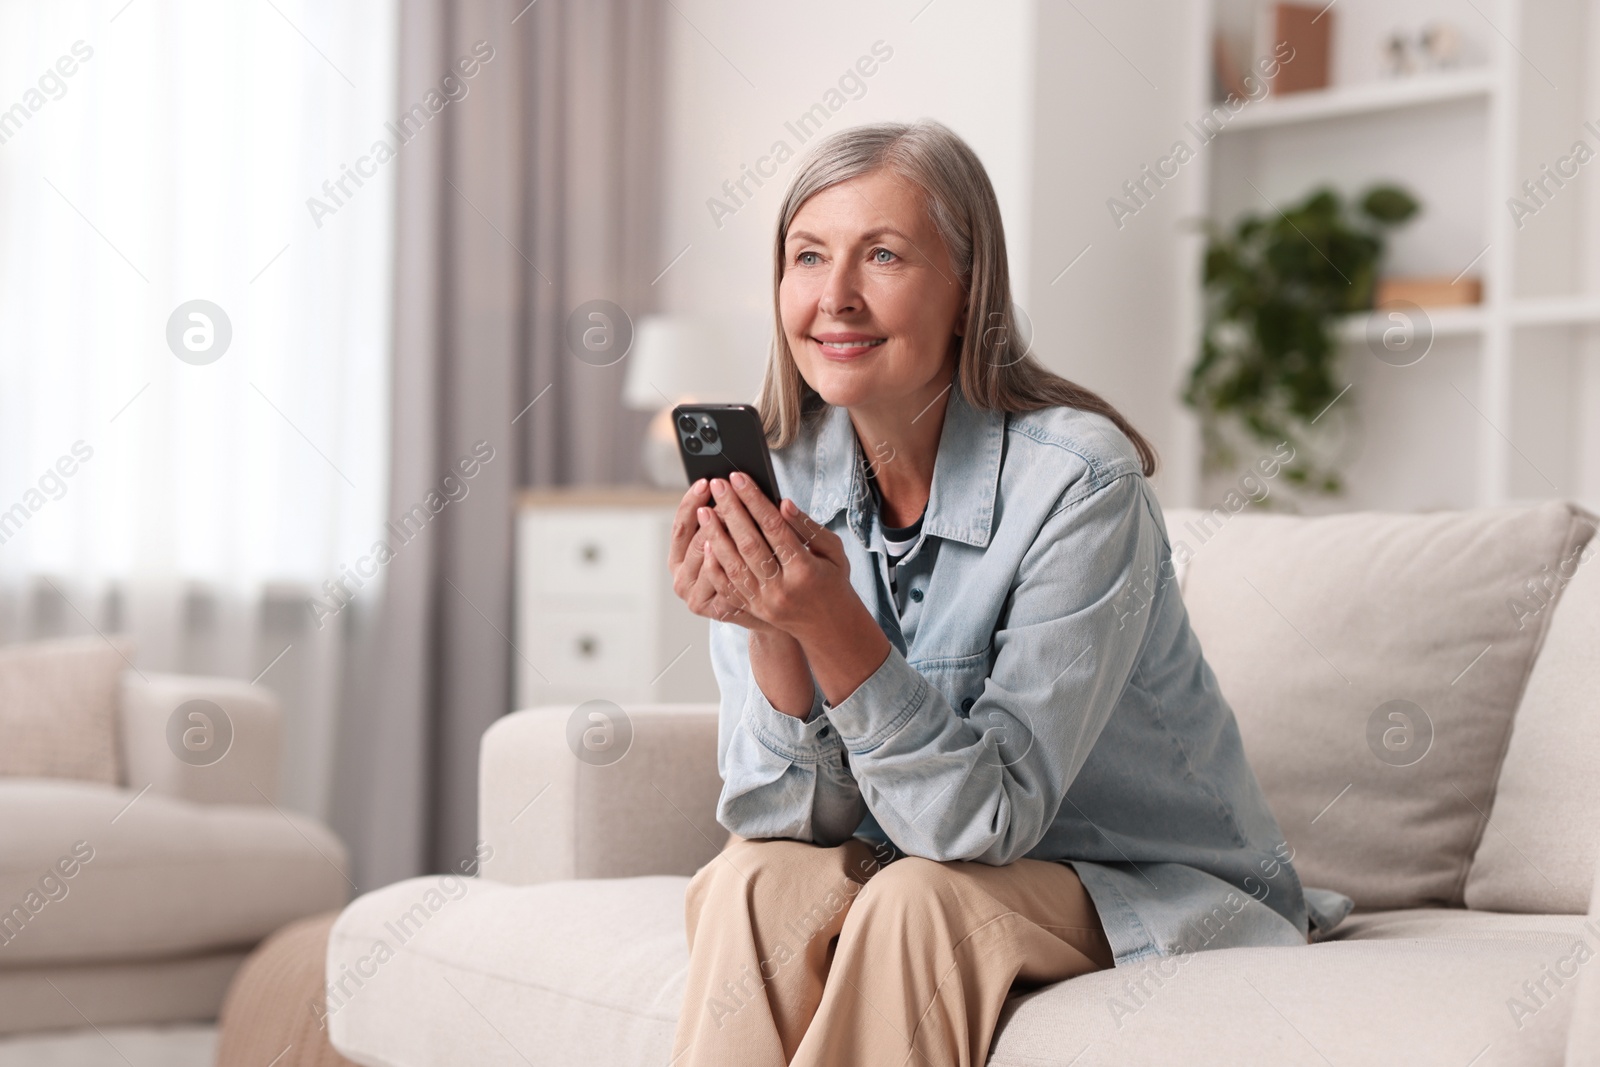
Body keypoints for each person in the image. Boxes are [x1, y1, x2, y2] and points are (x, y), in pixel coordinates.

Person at [664, 119, 1350, 1067]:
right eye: (808, 256)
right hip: (943, 864)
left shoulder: (1080, 485)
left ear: (966, 287)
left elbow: (982, 823)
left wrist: (832, 619)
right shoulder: (787, 476)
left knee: (918, 902)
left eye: (885, 255)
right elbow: (783, 821)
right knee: (754, 881)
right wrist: (773, 628)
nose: (835, 298)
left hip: (1141, 881)